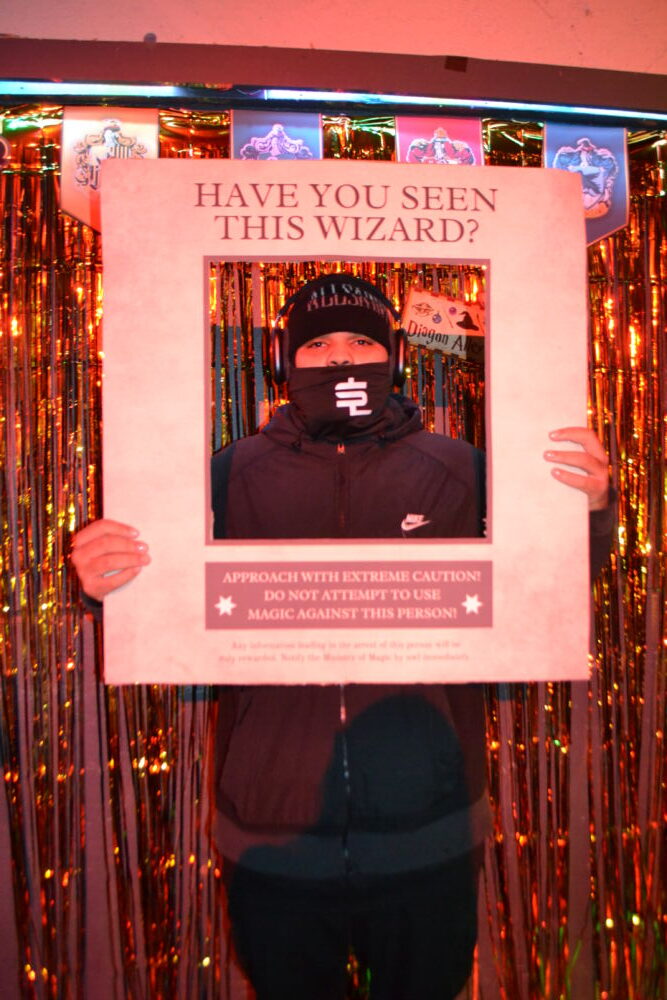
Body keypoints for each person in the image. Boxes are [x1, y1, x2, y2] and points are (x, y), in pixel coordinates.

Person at [72, 273, 613, 1000]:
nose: (340, 360)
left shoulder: (462, 471)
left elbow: (552, 587)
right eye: (318, 345)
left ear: (395, 355)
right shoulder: (224, 477)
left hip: (429, 827)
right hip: (270, 832)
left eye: (361, 341)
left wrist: (589, 512)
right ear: (284, 360)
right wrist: (103, 582)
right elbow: (153, 606)